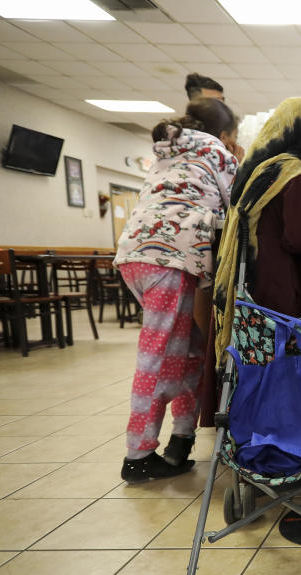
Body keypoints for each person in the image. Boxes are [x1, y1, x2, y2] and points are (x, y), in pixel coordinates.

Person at [114, 98, 240, 483]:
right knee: (156, 357)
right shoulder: (217, 152)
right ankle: (137, 455)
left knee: (188, 351)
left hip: (136, 257)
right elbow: (239, 205)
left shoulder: (167, 152)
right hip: (169, 260)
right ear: (223, 134)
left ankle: (180, 441)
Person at [215, 97, 301, 322]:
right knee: (275, 350)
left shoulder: (252, 168)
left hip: (244, 274)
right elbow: (300, 237)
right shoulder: (293, 172)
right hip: (276, 279)